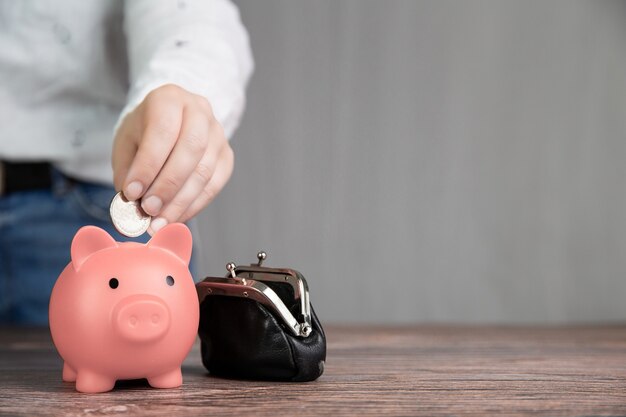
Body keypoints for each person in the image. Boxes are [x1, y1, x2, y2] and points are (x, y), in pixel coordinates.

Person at [0, 0, 254, 325]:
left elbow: (189, 15)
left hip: (88, 202)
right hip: (87, 205)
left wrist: (177, 92)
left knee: (121, 357)